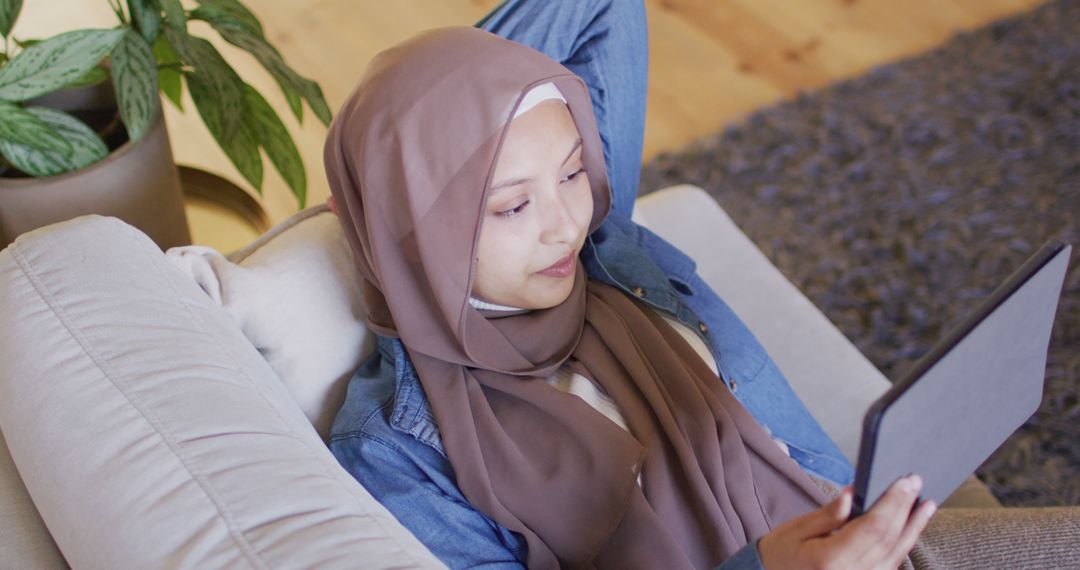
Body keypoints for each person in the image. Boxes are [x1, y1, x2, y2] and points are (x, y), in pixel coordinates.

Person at [323, 1, 1078, 568]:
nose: (565, 226)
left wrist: (471, 84)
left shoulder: (608, 255)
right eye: (513, 205)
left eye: (574, 171)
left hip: (883, 541)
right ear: (409, 228)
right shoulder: (395, 450)